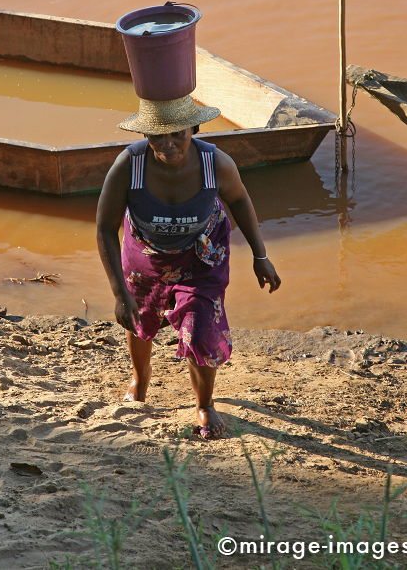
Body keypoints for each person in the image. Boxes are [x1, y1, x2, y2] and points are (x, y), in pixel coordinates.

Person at [96, 94, 280, 439]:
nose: (168, 144)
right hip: (145, 256)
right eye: (157, 136)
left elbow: (239, 199)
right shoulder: (129, 165)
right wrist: (120, 293)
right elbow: (105, 228)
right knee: (140, 319)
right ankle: (140, 378)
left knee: (199, 327)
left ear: (194, 128)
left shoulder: (215, 163)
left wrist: (260, 255)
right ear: (145, 136)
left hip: (202, 256)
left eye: (177, 133)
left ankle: (204, 405)